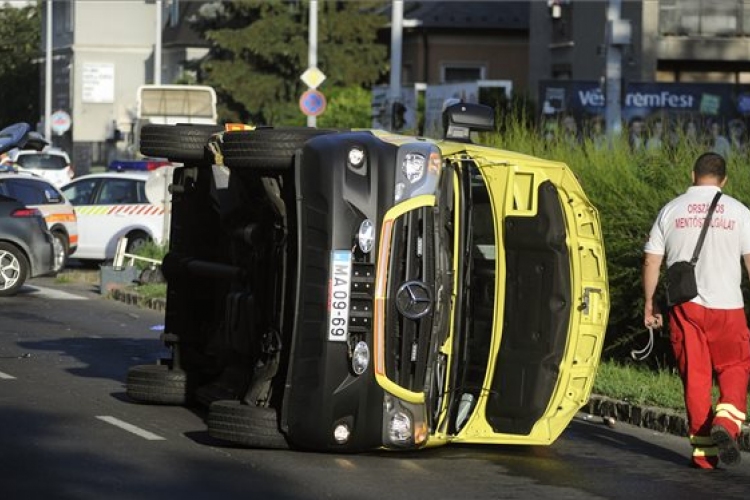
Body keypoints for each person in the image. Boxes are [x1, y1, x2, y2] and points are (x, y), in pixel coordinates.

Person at [642, 152, 750, 469]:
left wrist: (650, 302)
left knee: (696, 378)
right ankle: (726, 424)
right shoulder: (740, 212)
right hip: (728, 307)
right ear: (724, 180)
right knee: (735, 367)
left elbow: (651, 261)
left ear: (693, 175)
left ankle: (705, 456)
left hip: (685, 307)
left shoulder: (670, 210)